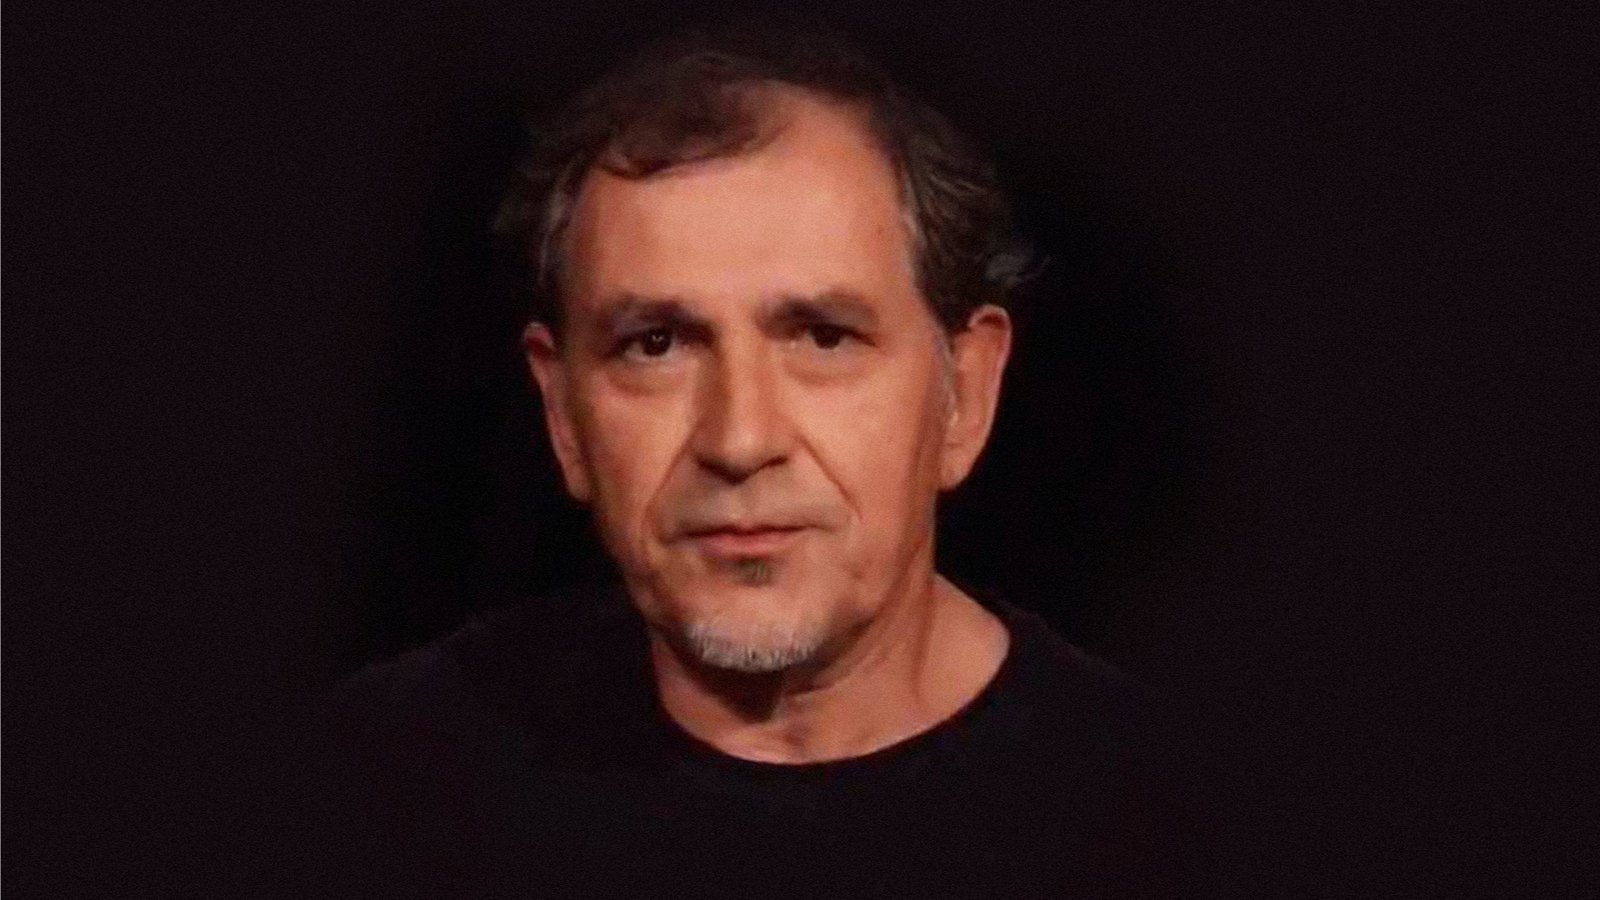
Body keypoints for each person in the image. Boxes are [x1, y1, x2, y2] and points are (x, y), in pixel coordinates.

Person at [292, 24, 1210, 899]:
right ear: (563, 415)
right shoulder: (380, 788)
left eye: (822, 337)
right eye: (655, 345)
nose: (738, 440)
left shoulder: (1169, 829)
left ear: (963, 392)